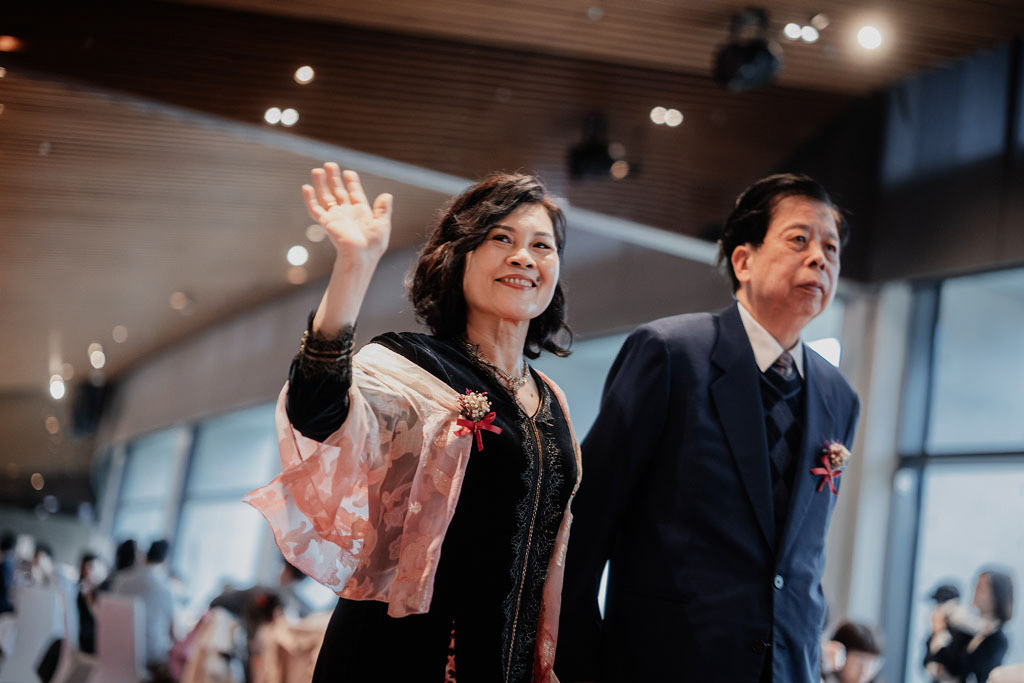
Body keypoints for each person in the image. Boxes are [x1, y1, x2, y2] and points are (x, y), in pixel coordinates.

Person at [245, 164, 581, 682]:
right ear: (459, 256)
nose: (524, 257)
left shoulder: (552, 401)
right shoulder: (409, 366)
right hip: (395, 661)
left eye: (543, 246)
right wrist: (354, 267)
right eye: (501, 238)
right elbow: (317, 411)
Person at [556, 173, 861, 682]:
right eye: (799, 240)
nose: (819, 259)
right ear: (743, 261)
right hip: (668, 664)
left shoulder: (839, 396)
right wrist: (581, 663)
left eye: (831, 248)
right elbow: (587, 524)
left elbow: (799, 556)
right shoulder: (671, 355)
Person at [925, 569, 1014, 683]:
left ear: (996, 595)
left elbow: (962, 669)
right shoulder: (966, 628)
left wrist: (939, 631)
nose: (975, 591)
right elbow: (934, 659)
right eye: (976, 585)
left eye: (981, 588)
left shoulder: (997, 640)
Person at [116, 539, 178, 678]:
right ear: (165, 561)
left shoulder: (121, 579)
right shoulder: (167, 590)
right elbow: (172, 633)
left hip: (118, 652)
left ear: (146, 555)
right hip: (150, 660)